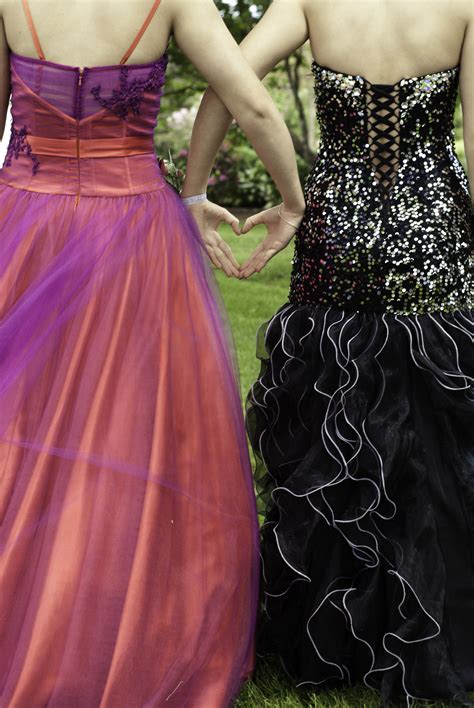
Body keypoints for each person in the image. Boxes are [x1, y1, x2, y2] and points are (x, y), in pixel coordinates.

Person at [0, 0, 305, 705]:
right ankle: (119, 630)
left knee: (24, 424)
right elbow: (252, 104)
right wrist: (288, 200)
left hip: (24, 221)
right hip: (130, 235)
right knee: (130, 437)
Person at [182, 0, 474, 704]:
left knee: (332, 431)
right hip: (433, 235)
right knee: (438, 441)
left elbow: (230, 82)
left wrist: (193, 187)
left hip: (338, 226)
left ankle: (335, 639)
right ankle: (437, 630)